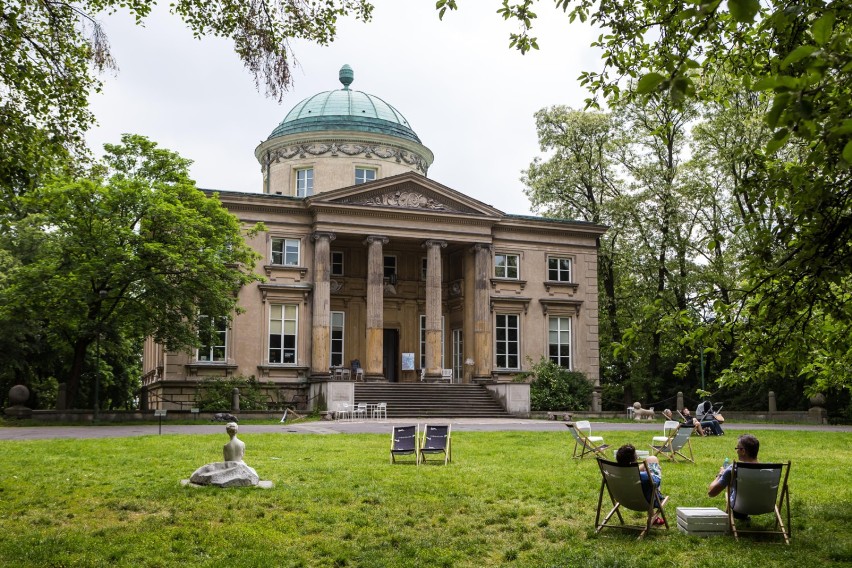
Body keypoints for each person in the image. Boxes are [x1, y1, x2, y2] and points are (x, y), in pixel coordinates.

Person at [708, 434, 759, 519]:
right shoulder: (768, 469)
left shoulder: (733, 469)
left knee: (730, 493)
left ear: (743, 451)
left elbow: (711, 493)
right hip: (763, 506)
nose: (737, 451)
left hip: (739, 507)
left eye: (737, 448)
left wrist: (720, 474)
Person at [616, 444, 665, 523]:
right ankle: (652, 517)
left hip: (624, 500)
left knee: (650, 460)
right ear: (635, 458)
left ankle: (630, 469)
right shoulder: (645, 477)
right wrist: (655, 469)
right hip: (646, 502)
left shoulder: (613, 474)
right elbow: (657, 482)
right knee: (653, 459)